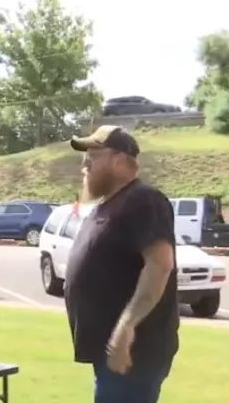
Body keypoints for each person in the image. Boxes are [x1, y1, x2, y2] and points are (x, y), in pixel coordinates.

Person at [64, 126, 179, 403]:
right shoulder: (110, 205)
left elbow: (160, 264)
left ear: (118, 160)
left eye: (92, 157)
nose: (84, 165)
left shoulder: (144, 199)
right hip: (111, 351)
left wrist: (126, 328)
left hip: (134, 352)